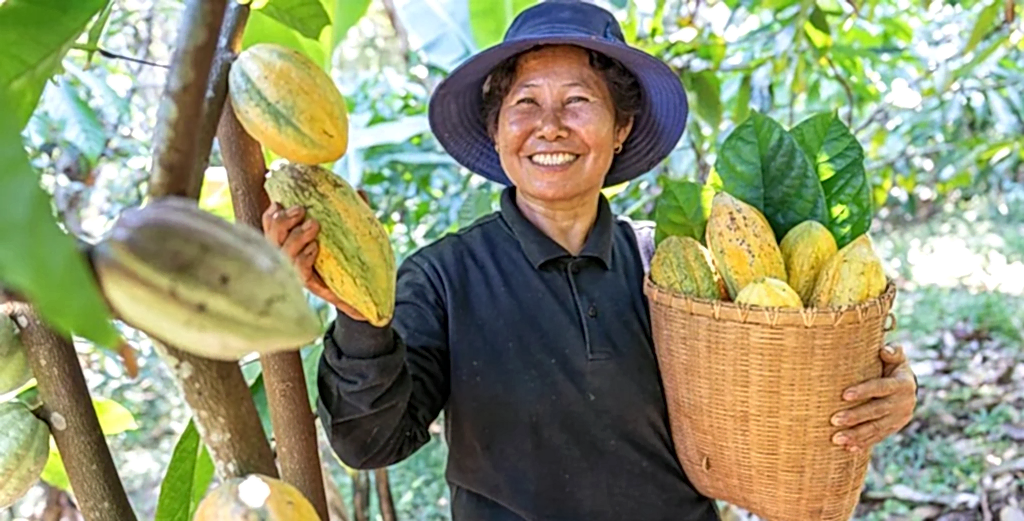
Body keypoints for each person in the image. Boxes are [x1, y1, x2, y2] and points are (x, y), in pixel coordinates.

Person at [262, 1, 919, 519]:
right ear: (496, 131)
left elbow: (780, 375)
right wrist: (359, 318)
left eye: (578, 102)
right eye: (525, 105)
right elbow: (369, 442)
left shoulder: (673, 266)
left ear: (621, 127)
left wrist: (885, 389)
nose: (550, 126)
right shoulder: (443, 275)